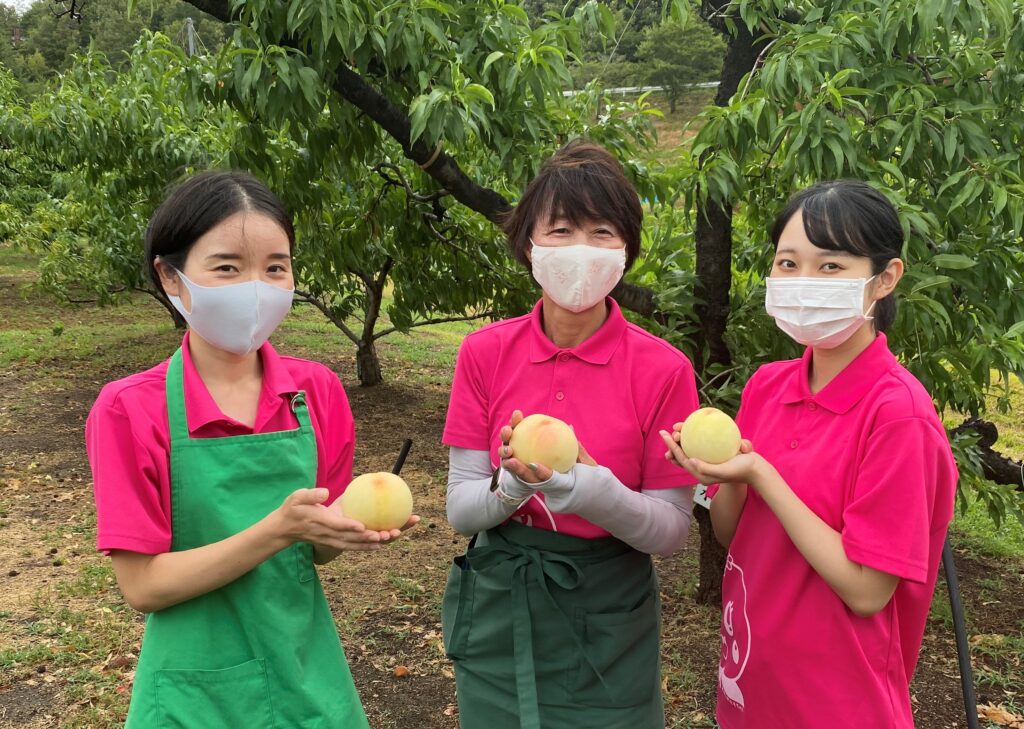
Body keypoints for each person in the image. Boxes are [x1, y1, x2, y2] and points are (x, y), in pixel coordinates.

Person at [86, 170, 416, 728]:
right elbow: (142, 586)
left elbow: (312, 552)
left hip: (305, 672)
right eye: (227, 267)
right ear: (170, 276)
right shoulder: (130, 410)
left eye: (275, 267)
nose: (256, 287)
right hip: (196, 691)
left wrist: (342, 532)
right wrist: (279, 529)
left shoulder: (317, 394)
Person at [661, 180, 958, 728]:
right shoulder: (767, 387)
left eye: (830, 267)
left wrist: (760, 473)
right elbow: (735, 535)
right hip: (751, 687)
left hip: (839, 703)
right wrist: (720, 475)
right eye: (789, 263)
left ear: (884, 279)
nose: (803, 283)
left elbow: (868, 591)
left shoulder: (898, 416)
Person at [441, 139, 700, 729]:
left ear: (627, 249)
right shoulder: (484, 354)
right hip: (501, 602)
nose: (580, 250)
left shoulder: (663, 370)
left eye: (602, 232)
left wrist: (588, 489)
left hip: (608, 610)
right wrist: (511, 488)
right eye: (560, 230)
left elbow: (670, 530)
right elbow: (460, 509)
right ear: (528, 242)